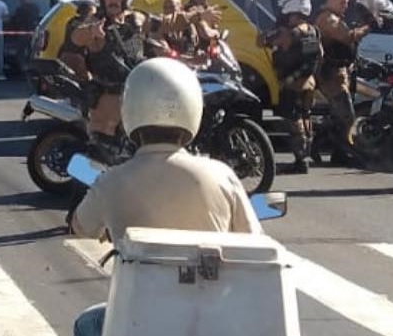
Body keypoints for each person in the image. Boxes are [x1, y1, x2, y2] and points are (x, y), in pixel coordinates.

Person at [69, 57, 262, 336]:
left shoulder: (110, 181)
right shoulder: (221, 175)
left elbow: (80, 226)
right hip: (210, 317)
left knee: (86, 324)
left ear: (130, 110)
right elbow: (253, 240)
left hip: (139, 316)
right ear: (193, 108)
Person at [72, 0, 151, 154]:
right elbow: (77, 36)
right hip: (107, 92)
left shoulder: (135, 20)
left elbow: (164, 24)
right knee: (101, 149)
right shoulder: (97, 21)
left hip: (136, 90)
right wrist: (92, 31)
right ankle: (86, 178)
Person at [259, 0, 322, 174]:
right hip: (308, 82)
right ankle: (305, 157)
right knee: (306, 117)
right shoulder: (312, 30)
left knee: (294, 120)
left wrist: (272, 31)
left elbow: (261, 41)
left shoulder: (288, 32)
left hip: (292, 83)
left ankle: (300, 161)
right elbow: (318, 56)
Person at [314, 0, 370, 152]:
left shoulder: (335, 17)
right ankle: (346, 151)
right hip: (330, 75)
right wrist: (367, 28)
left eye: (346, 2)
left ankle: (323, 147)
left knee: (338, 114)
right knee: (346, 115)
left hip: (339, 73)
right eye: (342, 2)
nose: (345, 6)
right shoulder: (328, 19)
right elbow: (347, 37)